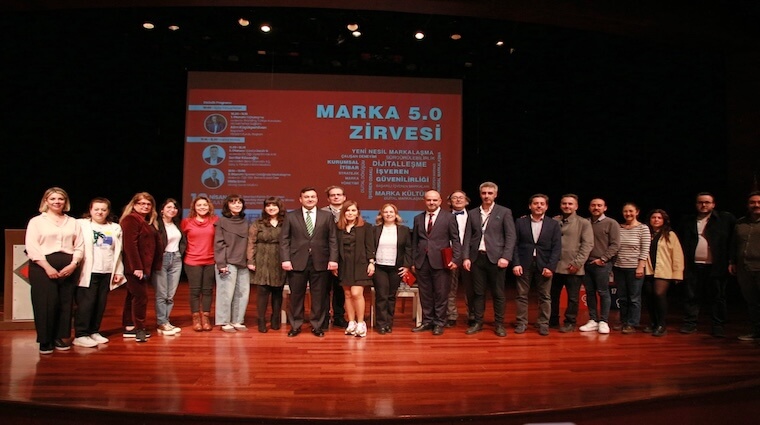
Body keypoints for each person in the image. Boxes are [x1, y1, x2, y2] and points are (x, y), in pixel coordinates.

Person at [25, 187, 84, 354]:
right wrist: (47, 267)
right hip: (42, 266)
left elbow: (79, 245)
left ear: (65, 202)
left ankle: (59, 337)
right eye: (53, 199)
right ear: (46, 201)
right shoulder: (36, 221)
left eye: (60, 199)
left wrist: (73, 264)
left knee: (64, 303)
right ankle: (45, 340)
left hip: (68, 266)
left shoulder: (73, 222)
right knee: (45, 303)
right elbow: (32, 247)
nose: (57, 202)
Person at [280, 187, 339, 337]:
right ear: (300, 199)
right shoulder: (291, 216)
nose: (310, 199)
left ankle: (317, 325)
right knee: (296, 296)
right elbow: (284, 240)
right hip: (296, 261)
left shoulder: (327, 216)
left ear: (317, 199)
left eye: (313, 196)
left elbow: (332, 239)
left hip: (321, 261)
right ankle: (295, 325)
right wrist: (285, 259)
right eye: (306, 197)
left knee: (319, 296)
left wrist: (333, 259)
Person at [677, 192, 736, 337]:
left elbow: (733, 241)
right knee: (691, 295)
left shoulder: (724, 219)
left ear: (713, 204)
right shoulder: (688, 221)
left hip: (716, 265)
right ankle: (690, 323)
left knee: (717, 296)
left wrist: (731, 260)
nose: (703, 205)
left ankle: (718, 325)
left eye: (707, 202)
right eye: (700, 202)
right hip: (693, 265)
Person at [462, 182, 516, 337]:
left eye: (490, 193)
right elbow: (467, 237)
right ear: (480, 194)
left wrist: (506, 257)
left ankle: (499, 324)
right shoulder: (473, 213)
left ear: (495, 195)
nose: (486, 196)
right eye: (484, 193)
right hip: (477, 258)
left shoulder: (504, 212)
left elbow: (511, 236)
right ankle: (478, 322)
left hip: (497, 259)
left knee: (498, 293)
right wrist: (466, 257)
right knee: (478, 293)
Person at [73, 197, 126, 348]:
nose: (100, 212)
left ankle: (94, 331)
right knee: (86, 303)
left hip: (107, 270)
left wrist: (118, 271)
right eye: (96, 209)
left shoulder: (114, 227)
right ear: (90, 210)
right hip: (88, 270)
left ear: (108, 211)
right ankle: (81, 334)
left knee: (100, 303)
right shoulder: (81, 224)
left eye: (103, 209)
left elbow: (118, 252)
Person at [411, 190, 461, 336]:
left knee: (441, 293)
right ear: (424, 201)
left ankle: (439, 322)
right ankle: (427, 321)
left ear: (440, 201)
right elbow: (415, 242)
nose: (431, 202)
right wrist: (414, 261)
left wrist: (455, 259)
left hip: (441, 261)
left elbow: (456, 240)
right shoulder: (418, 218)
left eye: (434, 200)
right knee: (425, 294)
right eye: (429, 200)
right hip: (422, 261)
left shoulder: (449, 217)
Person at [512, 194, 561, 336]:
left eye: (542, 203)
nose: (539, 206)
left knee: (545, 296)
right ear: (530, 206)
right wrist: (516, 263)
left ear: (546, 207)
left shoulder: (553, 224)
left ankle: (543, 323)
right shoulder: (520, 222)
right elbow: (514, 245)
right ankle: (521, 323)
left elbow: (557, 248)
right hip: (524, 263)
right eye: (535, 203)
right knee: (521, 295)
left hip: (544, 264)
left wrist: (551, 266)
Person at [120, 192, 164, 343]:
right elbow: (129, 245)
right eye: (141, 203)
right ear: (134, 205)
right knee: (141, 297)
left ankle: (129, 325)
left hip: (144, 266)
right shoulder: (131, 219)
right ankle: (140, 328)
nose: (145, 206)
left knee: (132, 296)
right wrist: (137, 267)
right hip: (135, 267)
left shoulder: (147, 221)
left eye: (148, 204)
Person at [550, 194, 594, 333]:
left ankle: (570, 322)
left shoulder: (583, 223)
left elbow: (587, 245)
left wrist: (577, 263)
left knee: (573, 298)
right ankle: (552, 320)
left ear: (576, 206)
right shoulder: (554, 221)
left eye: (570, 204)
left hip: (573, 267)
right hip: (555, 266)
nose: (567, 206)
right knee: (552, 295)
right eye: (564, 203)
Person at [579, 198, 620, 334]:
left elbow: (615, 244)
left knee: (603, 292)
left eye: (599, 205)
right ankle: (593, 320)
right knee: (589, 292)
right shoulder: (585, 222)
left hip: (602, 264)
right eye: (593, 205)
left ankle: (603, 321)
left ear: (605, 208)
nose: (596, 208)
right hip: (586, 263)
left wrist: (603, 259)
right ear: (589, 207)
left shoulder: (611, 223)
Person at [335, 200, 376, 337]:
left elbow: (370, 246)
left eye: (353, 210)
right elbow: (335, 247)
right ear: (343, 212)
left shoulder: (366, 227)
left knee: (356, 293)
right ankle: (351, 322)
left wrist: (371, 262)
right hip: (344, 264)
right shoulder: (338, 228)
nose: (350, 213)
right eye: (347, 210)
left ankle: (360, 322)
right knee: (347, 294)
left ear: (358, 212)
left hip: (360, 264)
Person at [247, 197, 287, 333]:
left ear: (279, 207)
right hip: (262, 259)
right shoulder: (257, 223)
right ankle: (261, 320)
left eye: (274, 205)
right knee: (262, 292)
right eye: (268, 205)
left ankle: (275, 319)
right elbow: (251, 242)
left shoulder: (285, 223)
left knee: (277, 291)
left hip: (279, 258)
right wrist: (250, 260)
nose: (271, 208)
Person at [643, 209, 684, 337]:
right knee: (649, 296)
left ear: (664, 220)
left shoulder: (670, 235)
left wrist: (678, 273)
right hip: (648, 270)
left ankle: (661, 324)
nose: (656, 220)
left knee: (659, 294)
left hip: (664, 270)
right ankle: (653, 322)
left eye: (659, 218)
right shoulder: (646, 233)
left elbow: (677, 255)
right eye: (653, 217)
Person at [373, 203, 412, 335]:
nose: (388, 214)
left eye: (391, 212)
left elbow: (408, 249)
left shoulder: (404, 230)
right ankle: (381, 324)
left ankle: (389, 323)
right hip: (379, 267)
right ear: (381, 214)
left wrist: (406, 266)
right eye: (386, 212)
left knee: (391, 296)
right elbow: (370, 247)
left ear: (396, 215)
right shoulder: (375, 229)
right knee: (381, 296)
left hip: (396, 268)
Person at [214, 194, 251, 332]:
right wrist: (221, 264)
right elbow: (219, 244)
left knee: (242, 293)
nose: (237, 205)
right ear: (227, 205)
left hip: (243, 262)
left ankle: (237, 320)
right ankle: (224, 321)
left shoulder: (245, 222)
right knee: (226, 293)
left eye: (239, 202)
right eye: (233, 202)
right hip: (227, 262)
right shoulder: (222, 222)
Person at [613, 202, 651, 334]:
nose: (628, 214)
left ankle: (632, 323)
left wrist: (641, 266)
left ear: (637, 212)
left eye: (631, 211)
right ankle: (623, 321)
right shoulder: (618, 227)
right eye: (625, 211)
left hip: (634, 267)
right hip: (619, 267)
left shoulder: (643, 228)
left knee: (634, 298)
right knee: (622, 297)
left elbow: (645, 249)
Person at [182, 195, 218, 332]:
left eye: (204, 205)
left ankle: (206, 318)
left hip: (210, 260)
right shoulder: (187, 222)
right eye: (199, 205)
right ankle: (196, 318)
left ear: (209, 207)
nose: (202, 207)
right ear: (194, 207)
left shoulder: (215, 221)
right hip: (192, 261)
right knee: (195, 291)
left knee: (208, 290)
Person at [729, 191, 760, 341]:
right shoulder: (740, 223)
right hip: (744, 268)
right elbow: (734, 244)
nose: (756, 205)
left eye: (759, 202)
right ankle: (756, 332)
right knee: (752, 302)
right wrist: (732, 261)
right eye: (752, 202)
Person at [153, 198, 186, 336]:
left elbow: (182, 242)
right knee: (162, 293)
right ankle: (162, 322)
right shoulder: (156, 224)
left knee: (170, 294)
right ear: (162, 210)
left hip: (176, 259)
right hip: (162, 259)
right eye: (169, 207)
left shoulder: (177, 224)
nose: (172, 210)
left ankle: (166, 321)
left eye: (175, 208)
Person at [320, 185, 348, 329]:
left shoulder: (349, 211)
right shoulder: (321, 213)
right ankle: (324, 317)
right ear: (328, 198)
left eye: (339, 194)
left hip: (344, 257)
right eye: (333, 195)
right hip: (324, 256)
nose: (336, 197)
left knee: (340, 289)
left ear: (344, 197)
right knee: (324, 289)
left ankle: (339, 316)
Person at [446, 190, 474, 328]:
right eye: (454, 198)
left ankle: (472, 315)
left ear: (466, 201)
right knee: (450, 287)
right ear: (449, 202)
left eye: (461, 198)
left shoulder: (475, 216)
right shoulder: (444, 217)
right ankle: (451, 315)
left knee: (471, 287)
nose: (458, 200)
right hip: (451, 255)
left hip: (470, 255)